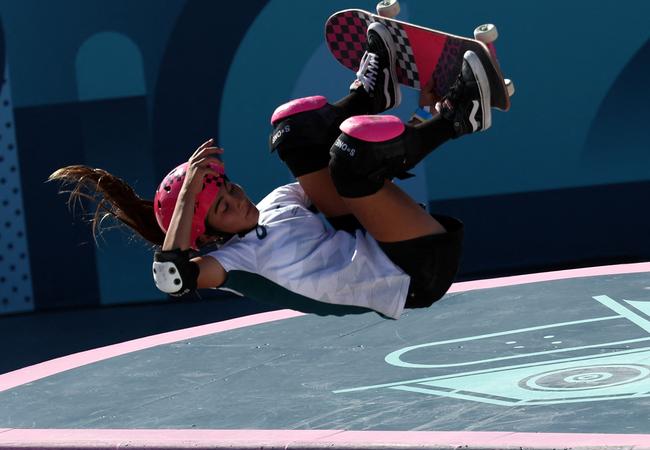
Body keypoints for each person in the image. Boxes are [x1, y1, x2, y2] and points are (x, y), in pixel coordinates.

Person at [50, 22, 497, 320]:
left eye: (228, 187)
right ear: (205, 236)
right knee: (353, 160)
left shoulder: (277, 204)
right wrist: (188, 195)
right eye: (223, 206)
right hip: (414, 274)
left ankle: (372, 93)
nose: (238, 198)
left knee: (292, 130)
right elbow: (172, 277)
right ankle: (460, 115)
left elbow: (312, 155)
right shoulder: (232, 263)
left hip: (382, 240)